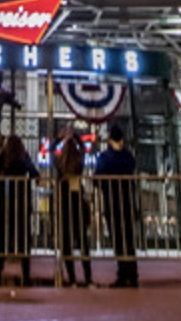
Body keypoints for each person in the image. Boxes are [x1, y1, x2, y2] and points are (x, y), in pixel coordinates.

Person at [93, 121, 139, 288]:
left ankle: (123, 273)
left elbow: (97, 179)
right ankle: (132, 274)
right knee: (129, 239)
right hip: (127, 201)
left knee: (118, 240)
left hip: (112, 202)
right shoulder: (128, 156)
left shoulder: (105, 158)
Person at [0, 132, 37, 286]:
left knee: (3, 240)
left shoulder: (3, 157)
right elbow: (34, 172)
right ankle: (26, 276)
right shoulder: (23, 157)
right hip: (22, 202)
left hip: (6, 202)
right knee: (24, 241)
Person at [52, 124, 93, 288]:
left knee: (67, 243)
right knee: (83, 241)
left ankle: (73, 279)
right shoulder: (78, 165)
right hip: (77, 203)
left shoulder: (61, 166)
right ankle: (88, 278)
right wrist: (75, 137)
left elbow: (51, 152)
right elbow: (83, 149)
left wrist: (60, 139)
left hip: (65, 204)